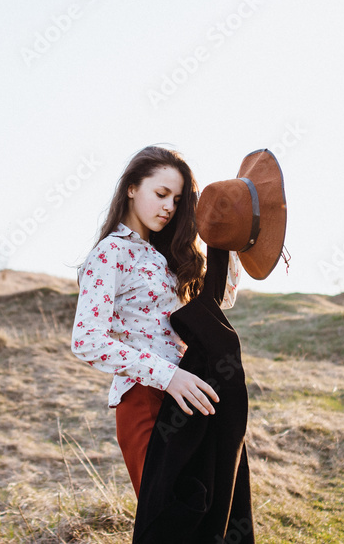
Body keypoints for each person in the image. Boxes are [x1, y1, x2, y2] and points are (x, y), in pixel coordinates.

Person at [70, 144, 241, 497]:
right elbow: (87, 340)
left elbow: (223, 300)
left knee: (202, 513)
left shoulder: (164, 257)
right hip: (145, 398)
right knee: (168, 516)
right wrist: (167, 375)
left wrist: (234, 241)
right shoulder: (111, 251)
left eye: (177, 200)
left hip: (186, 394)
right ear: (132, 188)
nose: (169, 207)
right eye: (161, 194)